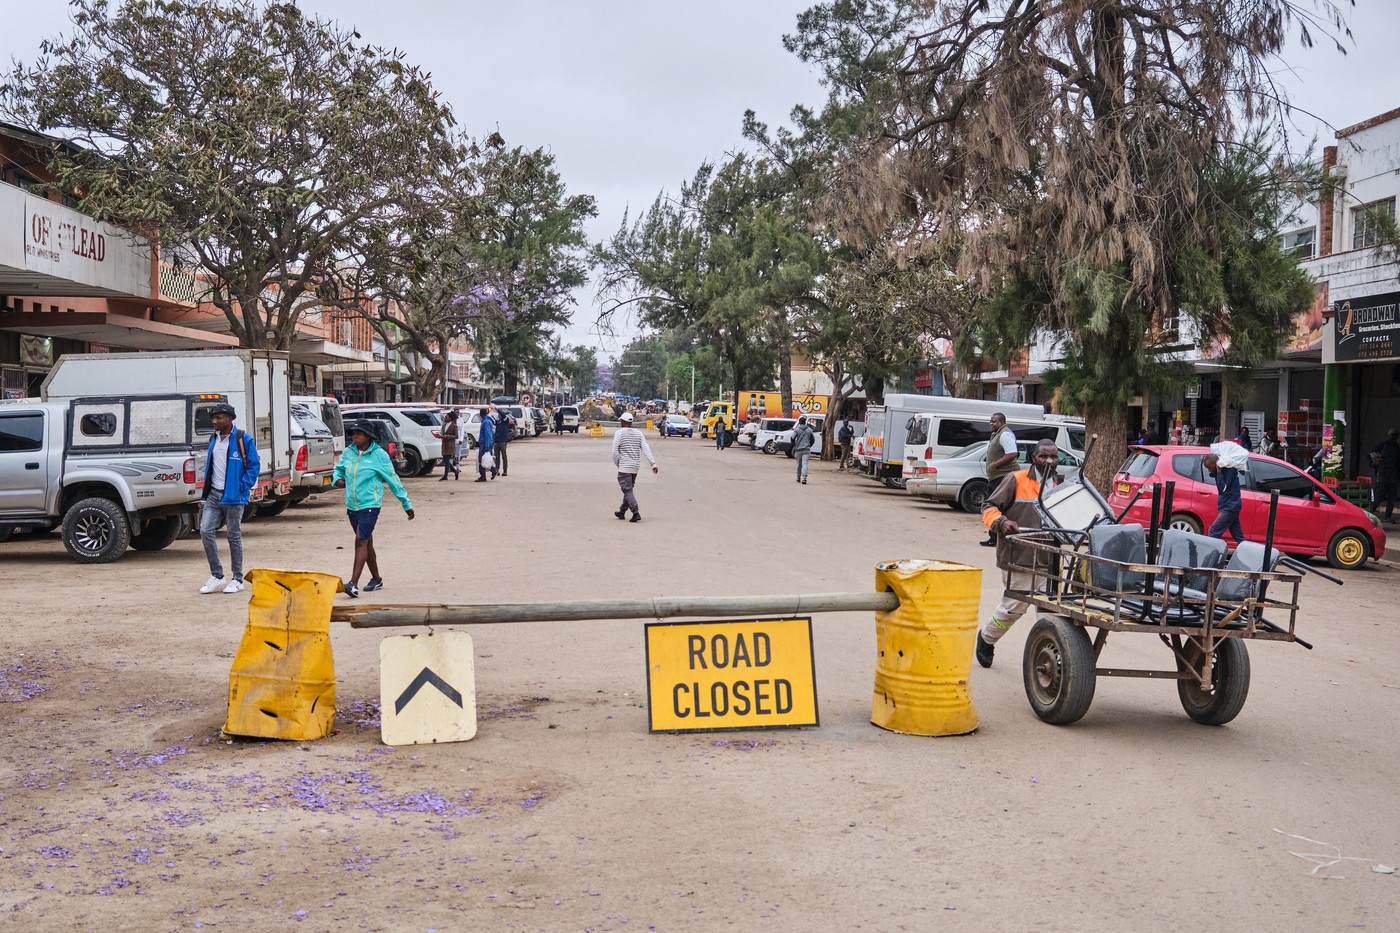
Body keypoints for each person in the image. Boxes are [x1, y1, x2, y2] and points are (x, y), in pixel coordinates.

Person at [974, 439, 1064, 668]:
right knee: (1013, 608)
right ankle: (987, 638)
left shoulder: (1062, 485)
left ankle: (1048, 661)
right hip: (1019, 557)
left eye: (1053, 456)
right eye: (1044, 456)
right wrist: (1002, 522)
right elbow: (988, 507)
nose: (1049, 461)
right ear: (1034, 458)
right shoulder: (1016, 479)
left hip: (1050, 559)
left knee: (1049, 613)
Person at [333, 421, 415, 597]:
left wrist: (406, 504)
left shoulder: (379, 455)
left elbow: (393, 480)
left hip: (370, 505)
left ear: (368, 436)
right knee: (366, 542)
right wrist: (337, 480)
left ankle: (352, 584)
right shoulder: (349, 452)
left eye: (359, 433)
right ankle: (376, 579)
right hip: (352, 506)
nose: (354, 436)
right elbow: (338, 470)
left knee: (360, 541)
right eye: (353, 433)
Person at [198, 403, 261, 594]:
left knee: (233, 536)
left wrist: (241, 487)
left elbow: (254, 466)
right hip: (213, 495)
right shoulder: (214, 438)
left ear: (229, 418)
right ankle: (217, 576)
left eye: (218, 418)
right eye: (213, 418)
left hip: (233, 496)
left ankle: (237, 579)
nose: (214, 421)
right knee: (205, 530)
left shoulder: (243, 439)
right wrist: (205, 493)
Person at [611, 412, 658, 522]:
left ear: (623, 421)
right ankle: (622, 511)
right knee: (628, 489)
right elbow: (646, 448)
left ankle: (635, 512)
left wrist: (618, 464)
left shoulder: (619, 433)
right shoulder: (639, 433)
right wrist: (653, 464)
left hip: (624, 467)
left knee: (627, 490)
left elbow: (614, 452)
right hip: (635, 468)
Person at [982, 413, 1019, 547]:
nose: (991, 423)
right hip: (997, 477)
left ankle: (996, 538)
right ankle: (994, 537)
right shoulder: (997, 434)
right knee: (994, 506)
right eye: (990, 421)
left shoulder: (1005, 434)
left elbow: (1012, 453)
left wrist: (995, 465)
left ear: (1002, 422)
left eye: (994, 421)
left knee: (995, 506)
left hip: (1003, 477)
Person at [1203, 452, 1244, 544]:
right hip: (1230, 505)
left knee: (1213, 531)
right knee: (1237, 535)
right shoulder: (1223, 470)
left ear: (1216, 465)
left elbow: (1223, 488)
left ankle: (1210, 551)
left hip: (1230, 506)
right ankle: (1247, 550)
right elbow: (1213, 475)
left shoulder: (1229, 471)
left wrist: (1219, 471)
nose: (1209, 470)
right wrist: (1217, 471)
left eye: (1210, 468)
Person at [1370, 427, 1400, 523]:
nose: (1394, 438)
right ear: (1388, 436)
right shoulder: (1381, 446)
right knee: (1379, 497)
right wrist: (1374, 464)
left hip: (1393, 477)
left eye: (1396, 436)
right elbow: (1371, 457)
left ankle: (1388, 516)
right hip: (1382, 477)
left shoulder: (1397, 449)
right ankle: (1370, 513)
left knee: (1392, 498)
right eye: (1392, 436)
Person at [791, 415, 816, 485]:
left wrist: (794, 445)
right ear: (805, 422)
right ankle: (804, 478)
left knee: (799, 464)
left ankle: (798, 477)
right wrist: (809, 446)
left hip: (798, 450)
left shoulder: (797, 430)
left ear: (799, 422)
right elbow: (813, 440)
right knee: (805, 463)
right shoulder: (809, 430)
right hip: (806, 450)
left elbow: (792, 438)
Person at [476, 405, 497, 481]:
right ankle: (492, 471)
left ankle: (484, 475)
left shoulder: (486, 422)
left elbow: (487, 434)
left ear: (481, 414)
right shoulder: (487, 421)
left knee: (481, 459)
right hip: (486, 443)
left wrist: (487, 446)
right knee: (486, 459)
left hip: (485, 443)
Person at [439, 410, 461, 481]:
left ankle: (445, 476)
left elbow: (456, 436)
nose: (445, 418)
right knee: (446, 461)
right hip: (444, 445)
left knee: (446, 460)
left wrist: (447, 436)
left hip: (450, 445)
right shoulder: (444, 425)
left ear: (450, 418)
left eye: (446, 417)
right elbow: (442, 433)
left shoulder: (454, 426)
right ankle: (455, 471)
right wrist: (440, 436)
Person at [494, 407, 513, 477]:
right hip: (496, 441)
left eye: (499, 415)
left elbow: (503, 415)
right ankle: (497, 470)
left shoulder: (505, 421)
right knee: (497, 457)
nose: (499, 416)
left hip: (503, 441)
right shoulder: (498, 422)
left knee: (504, 456)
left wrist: (497, 409)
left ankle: (505, 470)